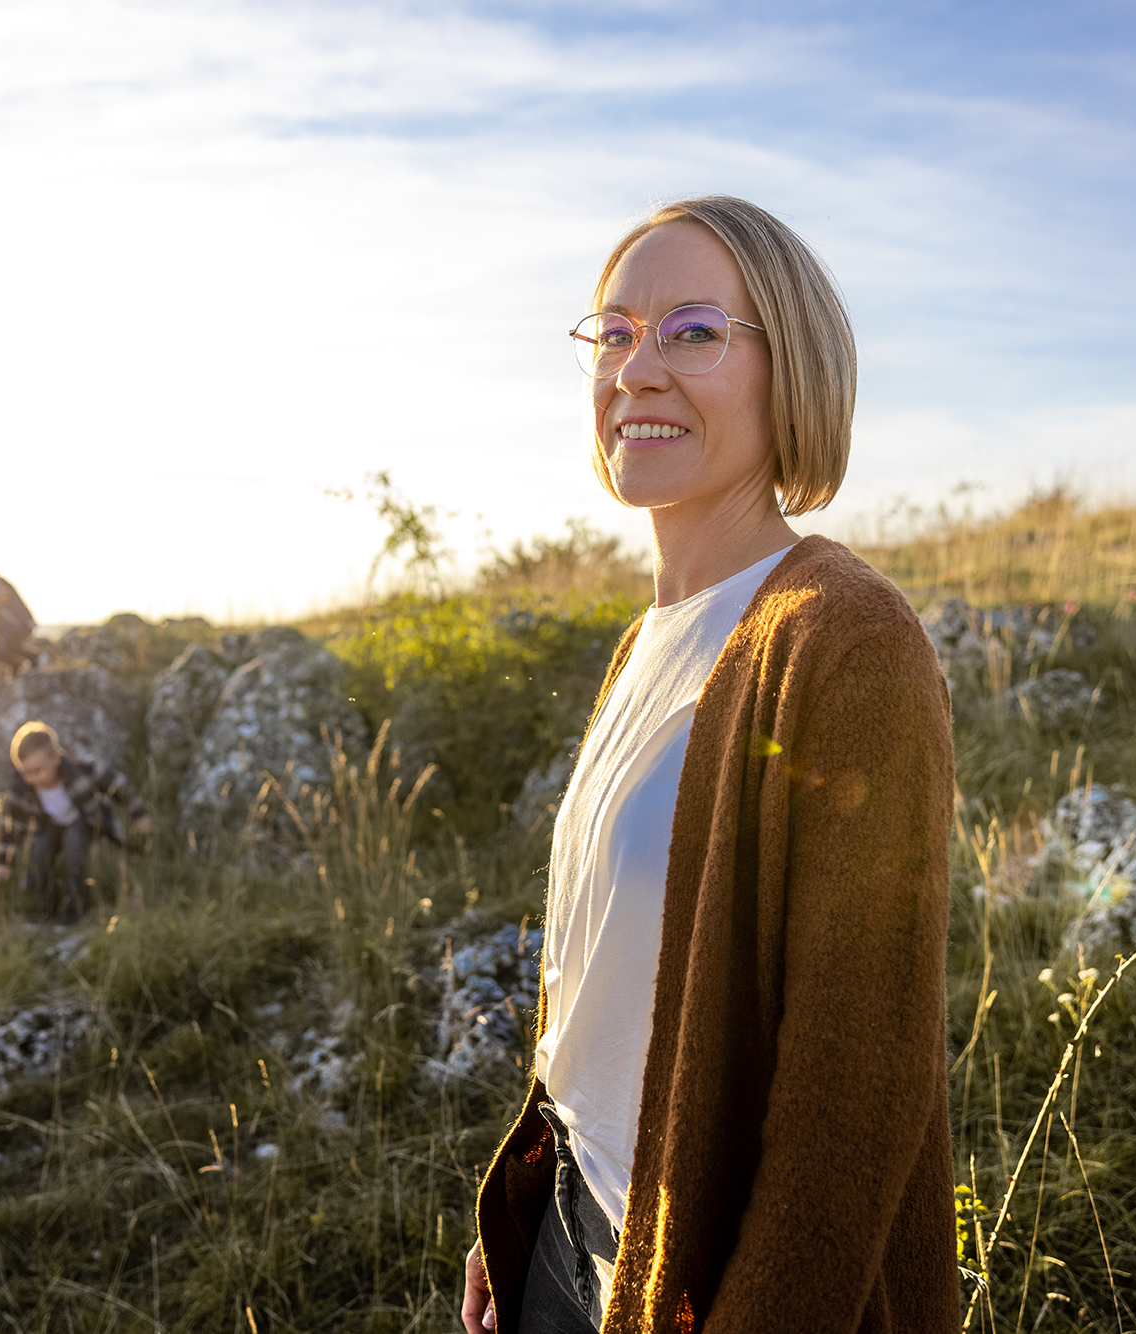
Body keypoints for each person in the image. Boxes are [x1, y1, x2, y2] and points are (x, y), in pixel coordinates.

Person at [462, 197, 958, 1333]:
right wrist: (521, 1203)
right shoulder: (644, 640)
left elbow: (856, 1089)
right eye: (615, 331)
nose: (636, 367)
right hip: (568, 1228)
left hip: (704, 1284)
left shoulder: (841, 638)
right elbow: (601, 977)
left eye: (691, 330)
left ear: (793, 372)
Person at [0, 721, 152, 922]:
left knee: (74, 843)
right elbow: (8, 825)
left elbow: (118, 784)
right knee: (38, 849)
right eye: (26, 773)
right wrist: (2, 863)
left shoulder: (80, 772)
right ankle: (47, 908)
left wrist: (139, 814)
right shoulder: (22, 789)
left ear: (56, 757)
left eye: (39, 771)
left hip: (84, 822)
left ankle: (77, 910)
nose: (33, 778)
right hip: (50, 826)